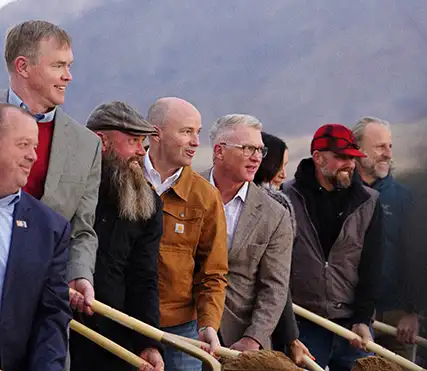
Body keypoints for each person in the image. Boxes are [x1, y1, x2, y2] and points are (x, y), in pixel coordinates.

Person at [1, 20, 101, 318]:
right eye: (58, 65)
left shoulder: (87, 145)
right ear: (23, 66)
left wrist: (81, 273)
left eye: (69, 66)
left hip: (46, 316)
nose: (68, 76)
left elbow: (83, 230)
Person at [69, 102, 164, 371]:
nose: (140, 152)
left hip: (114, 340)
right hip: (58, 330)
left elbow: (143, 278)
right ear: (102, 141)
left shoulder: (148, 204)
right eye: (133, 141)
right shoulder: (65, 189)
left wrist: (149, 343)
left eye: (142, 142)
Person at [282, 123, 384, 371]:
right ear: (317, 157)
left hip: (352, 326)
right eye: (340, 157)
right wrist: (287, 329)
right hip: (304, 322)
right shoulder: (286, 197)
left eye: (352, 157)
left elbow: (373, 265)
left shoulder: (369, 202)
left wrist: (362, 319)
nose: (349, 164)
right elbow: (277, 266)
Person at [145, 97, 228, 371]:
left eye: (198, 132)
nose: (195, 141)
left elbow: (213, 272)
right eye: (186, 131)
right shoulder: (123, 179)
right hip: (125, 321)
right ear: (156, 133)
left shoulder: (205, 196)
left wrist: (208, 324)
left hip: (181, 330)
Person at [201, 114, 293, 351]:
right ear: (219, 151)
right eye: (247, 148)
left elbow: (274, 286)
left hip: (238, 338)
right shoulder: (186, 192)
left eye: (260, 150)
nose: (256, 158)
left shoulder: (275, 214)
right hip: (183, 329)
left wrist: (254, 338)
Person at [0, 104, 72, 371]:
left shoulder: (50, 228)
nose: (33, 156)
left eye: (35, 146)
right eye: (23, 144)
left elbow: (51, 317)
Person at [352, 116, 420, 361]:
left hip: (397, 317)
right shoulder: (342, 194)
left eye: (390, 146)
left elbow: (419, 256)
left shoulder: (404, 199)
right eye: (380, 146)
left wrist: (413, 312)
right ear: (358, 150)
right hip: (351, 316)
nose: (387, 154)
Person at [253, 132, 313, 366]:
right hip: (264, 322)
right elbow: (277, 280)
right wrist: (291, 337)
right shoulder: (275, 206)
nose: (284, 175)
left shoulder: (276, 204)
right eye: (280, 165)